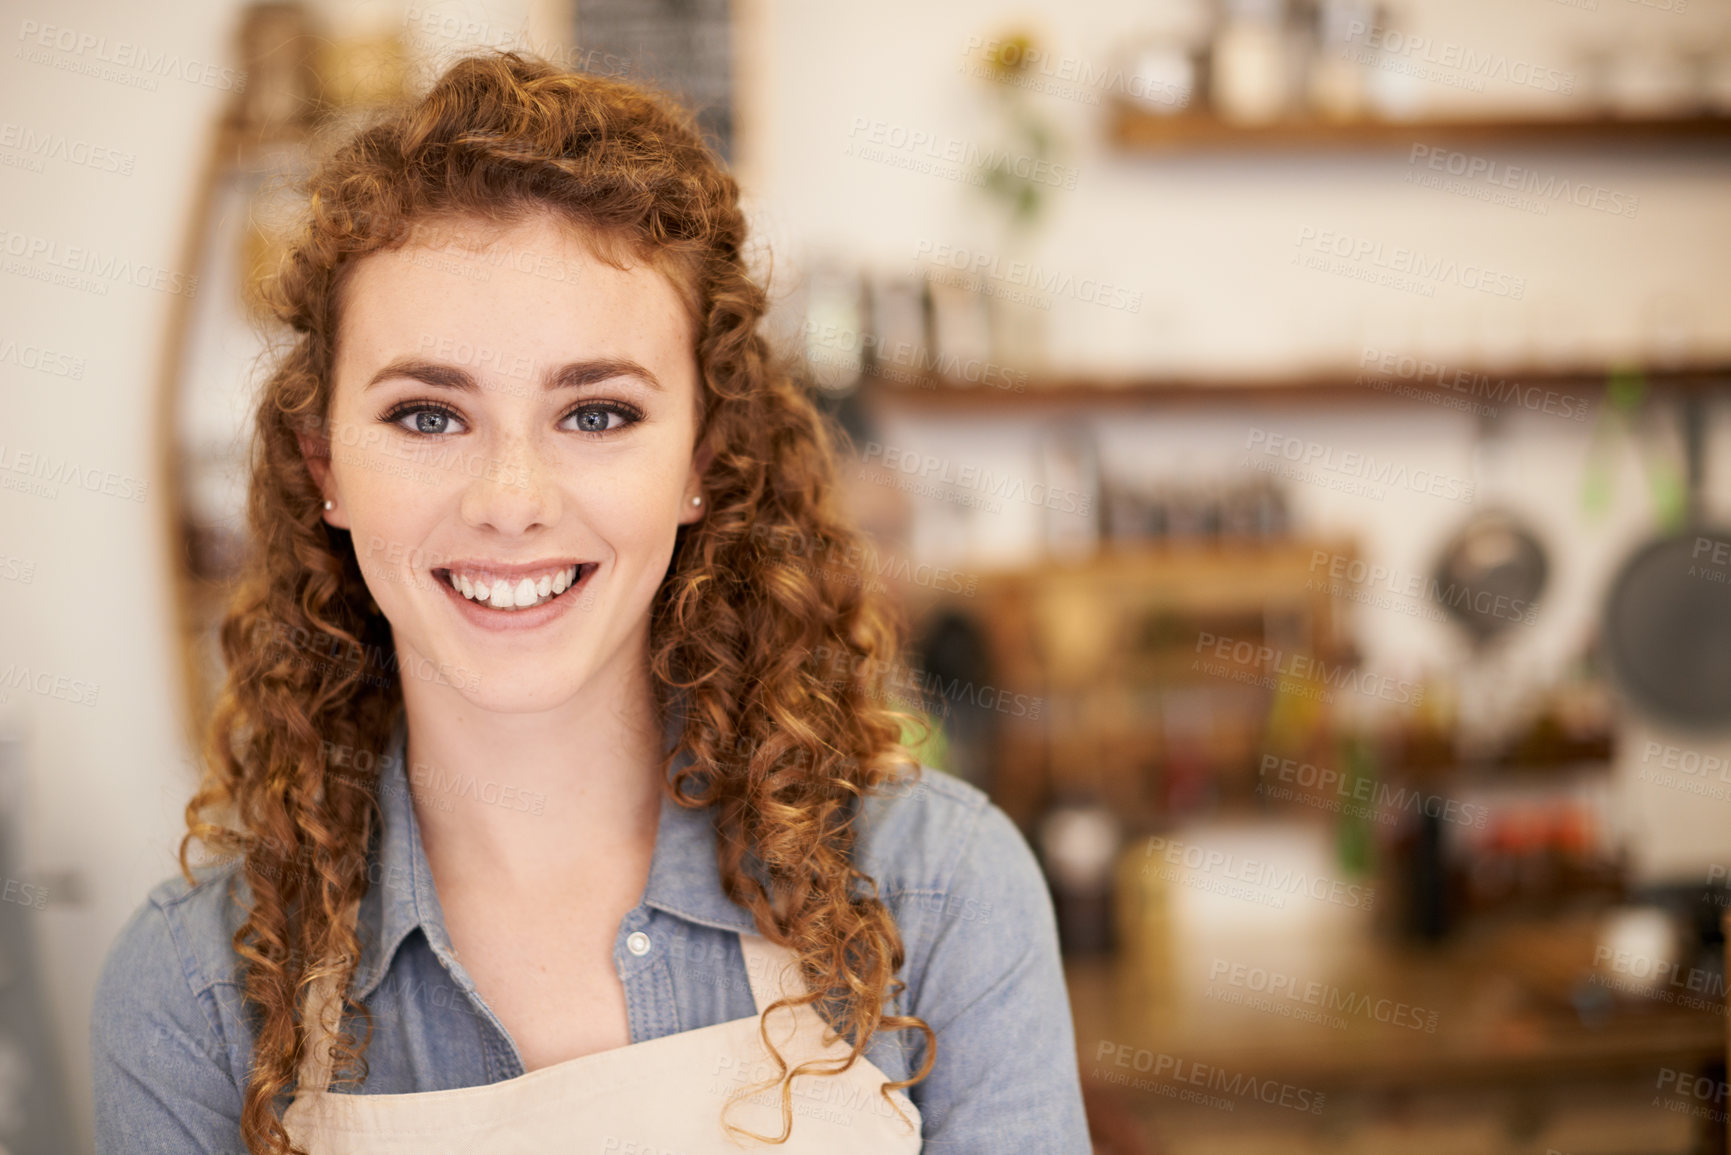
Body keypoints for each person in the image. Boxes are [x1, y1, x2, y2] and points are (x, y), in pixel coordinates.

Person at [90, 51, 1090, 1154]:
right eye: (428, 415)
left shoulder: (939, 894)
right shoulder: (192, 998)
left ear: (703, 458)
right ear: (323, 464)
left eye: (598, 414)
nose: (510, 501)